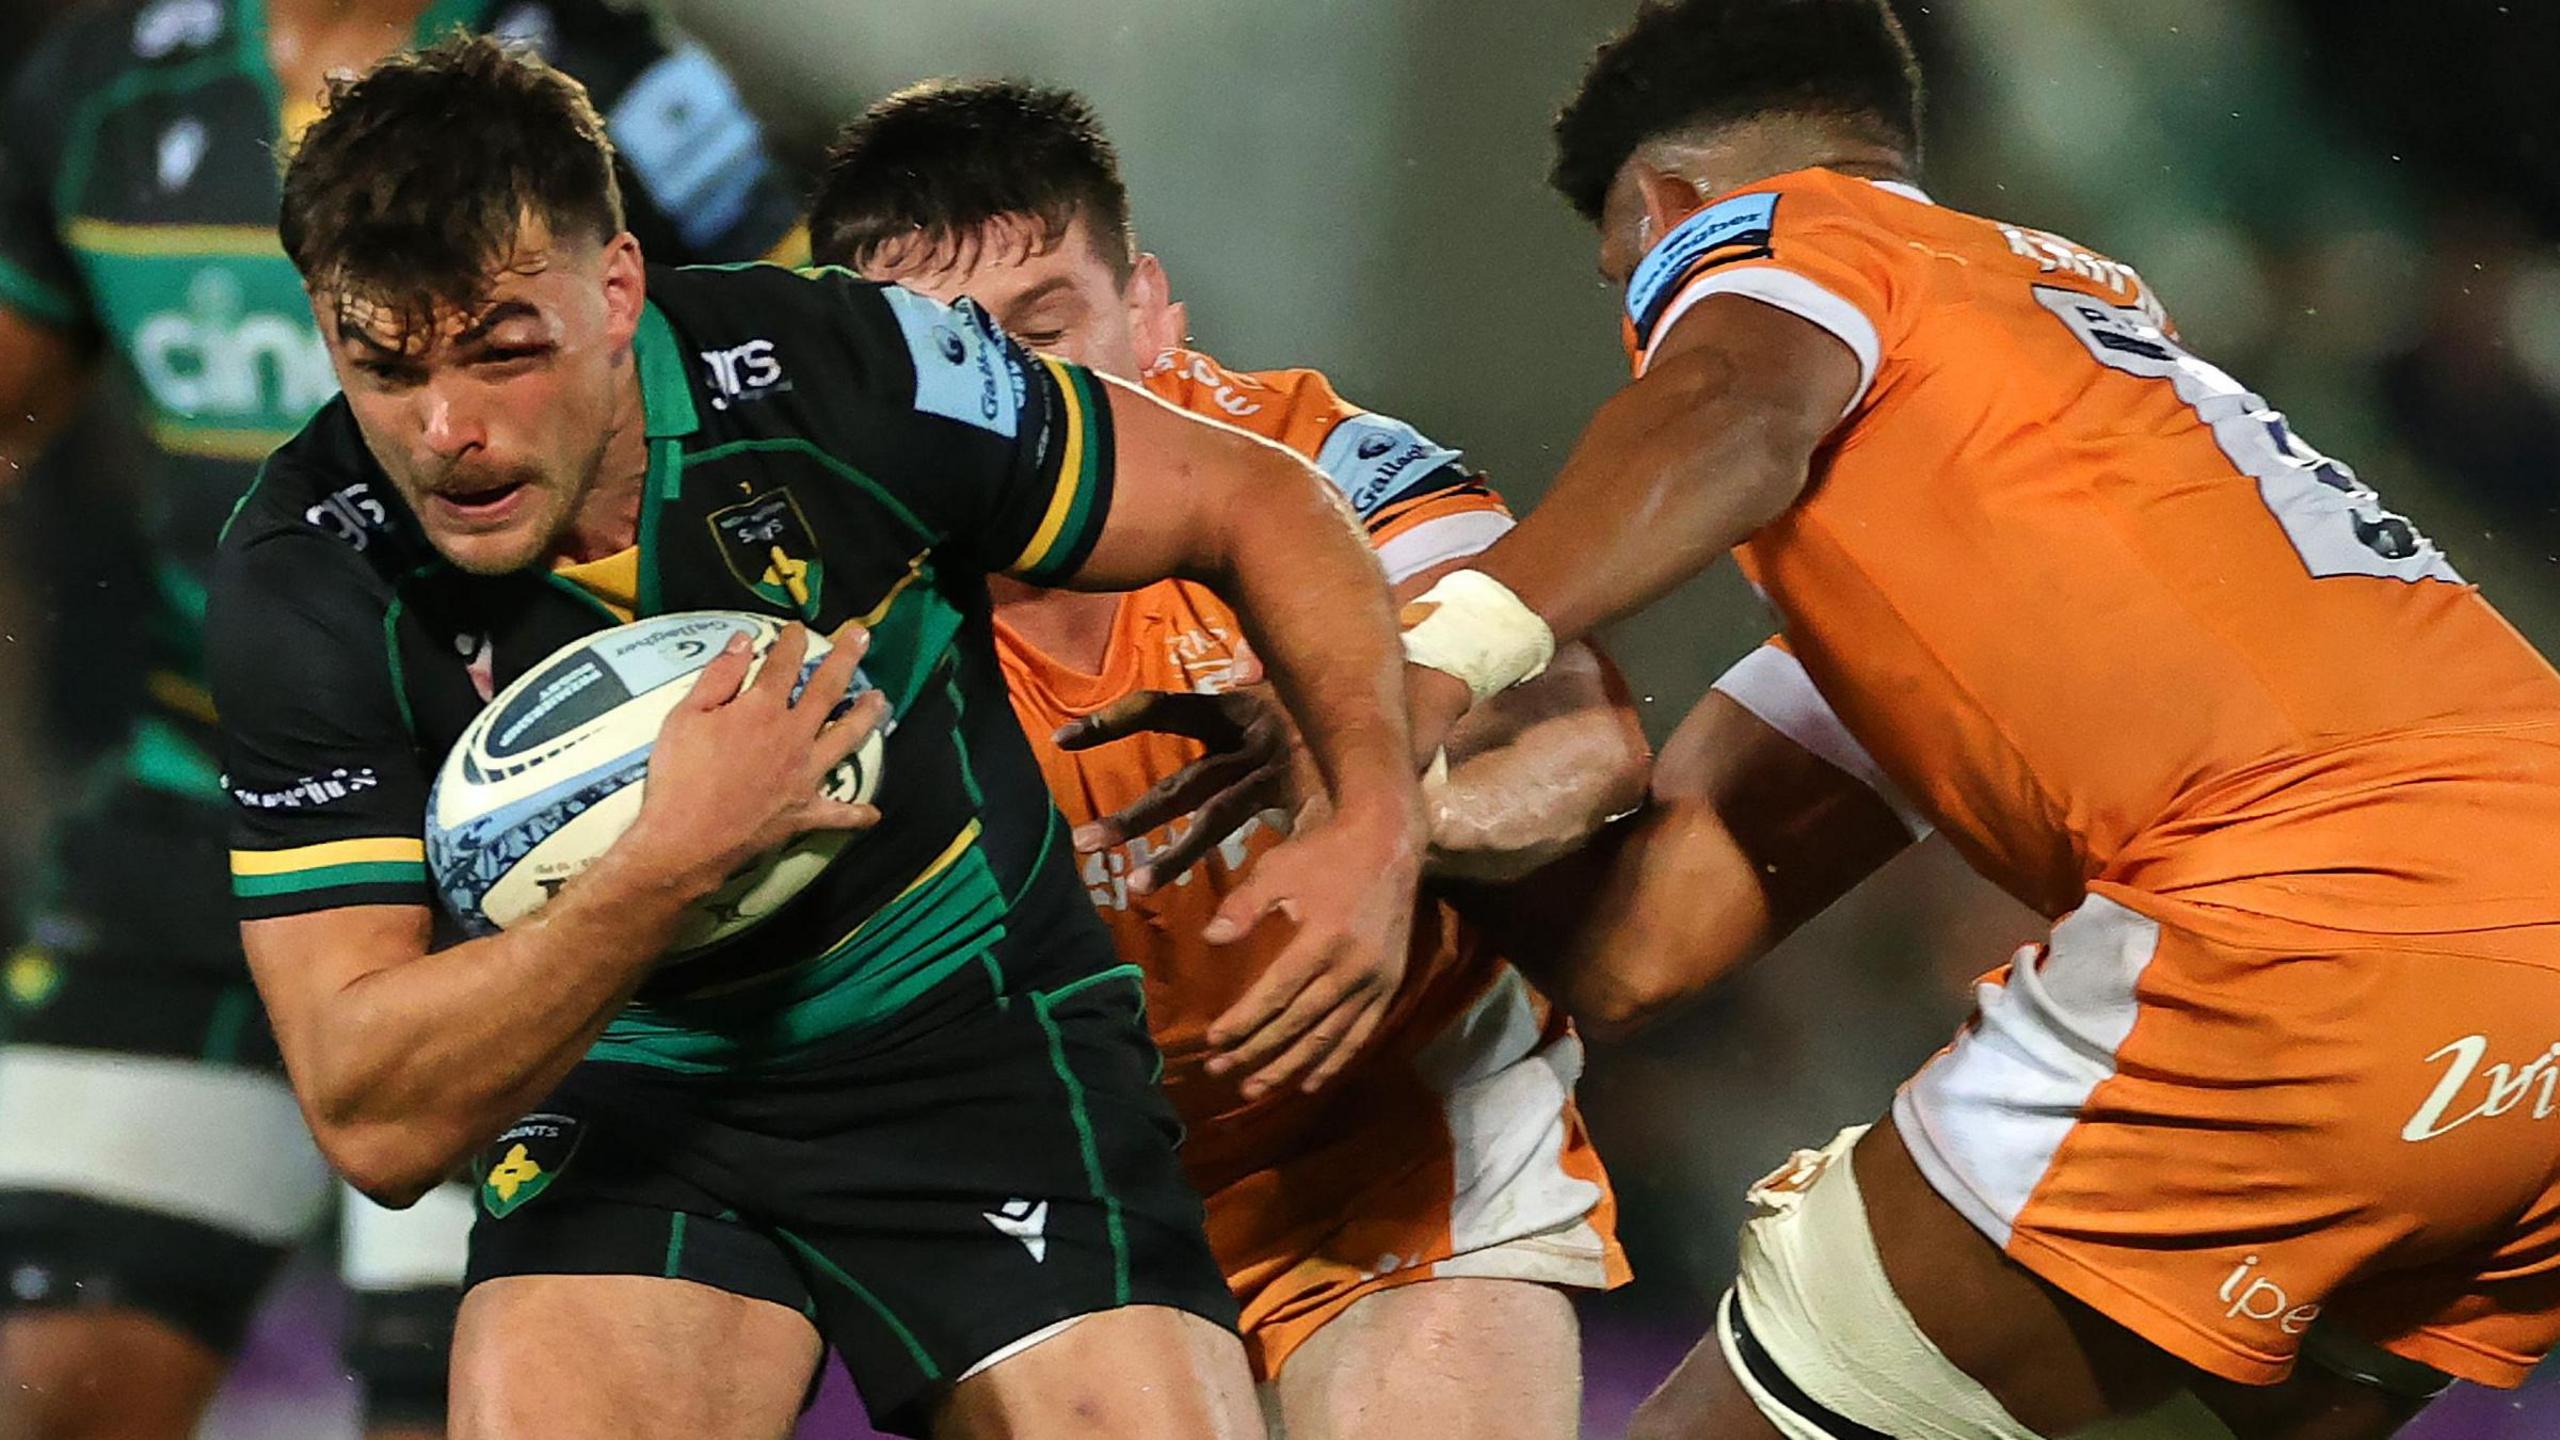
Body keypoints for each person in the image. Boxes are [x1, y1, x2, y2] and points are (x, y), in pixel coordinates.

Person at [210, 34, 1429, 1440]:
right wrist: (670, 862)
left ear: (616, 289)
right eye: (380, 366)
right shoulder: (307, 574)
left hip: (970, 1042)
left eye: (504, 354)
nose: (446, 432)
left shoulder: (841, 367)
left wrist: (1374, 821)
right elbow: (372, 1121)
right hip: (637, 1084)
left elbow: (1262, 503)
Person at [1387, 1, 2560, 1437]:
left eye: (1627, 275)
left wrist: (1422, 674)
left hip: (2319, 928)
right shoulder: (2042, 459)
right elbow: (1632, 956)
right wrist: (1428, 842)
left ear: (1664, 202)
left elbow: (1733, 415)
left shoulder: (1785, 234)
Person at [0, 0, 803, 1435]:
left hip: (531, 829)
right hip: (211, 804)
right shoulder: (99, 80)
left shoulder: (609, 73)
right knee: (47, 1388)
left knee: (469, 1406)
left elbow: (804, 386)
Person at [807, 80, 1645, 1440]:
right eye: (948, 356)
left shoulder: (1332, 467)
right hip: (1042, 1187)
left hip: (1387, 1146)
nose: (1012, 399)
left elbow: (1585, 740)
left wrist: (1386, 813)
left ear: (1150, 309)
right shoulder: (807, 577)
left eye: (1049, 328)